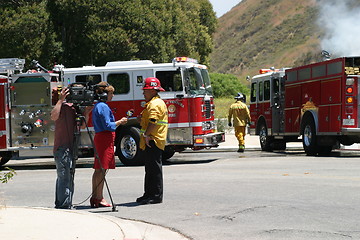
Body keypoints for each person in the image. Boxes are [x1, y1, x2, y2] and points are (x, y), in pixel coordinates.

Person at [51, 85, 91, 209]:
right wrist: (60, 99)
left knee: (67, 175)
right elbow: (53, 116)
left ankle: (64, 202)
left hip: (71, 147)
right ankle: (63, 205)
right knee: (64, 176)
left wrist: (87, 112)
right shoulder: (63, 106)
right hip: (62, 147)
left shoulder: (75, 109)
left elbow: (83, 126)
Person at [91, 82, 127, 208]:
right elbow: (108, 125)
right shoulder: (103, 106)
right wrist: (120, 122)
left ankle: (95, 196)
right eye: (111, 93)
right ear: (105, 94)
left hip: (99, 137)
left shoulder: (97, 106)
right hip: (104, 138)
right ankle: (99, 197)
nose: (112, 95)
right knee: (102, 168)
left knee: (98, 169)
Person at [136, 77, 168, 205]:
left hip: (153, 140)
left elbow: (153, 121)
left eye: (146, 90)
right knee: (150, 169)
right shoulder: (155, 103)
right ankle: (148, 194)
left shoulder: (154, 104)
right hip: (153, 139)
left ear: (153, 91)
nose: (143, 92)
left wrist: (147, 135)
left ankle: (155, 195)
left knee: (154, 169)